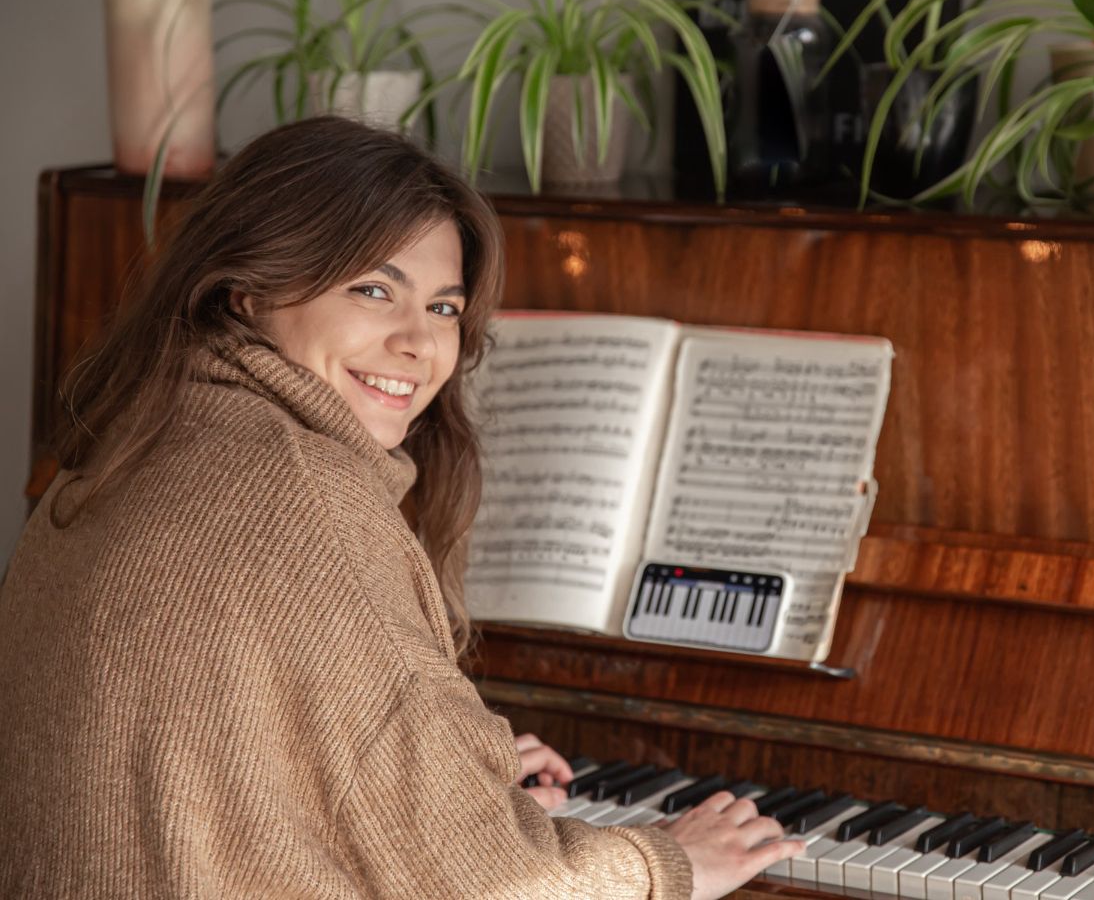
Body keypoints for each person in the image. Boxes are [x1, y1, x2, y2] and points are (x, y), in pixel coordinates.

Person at [0, 116, 802, 899]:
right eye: (375, 290)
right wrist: (670, 865)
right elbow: (495, 884)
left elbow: (231, 746)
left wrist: (449, 769)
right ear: (247, 291)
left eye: (444, 307)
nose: (420, 343)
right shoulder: (304, 494)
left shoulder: (133, 438)